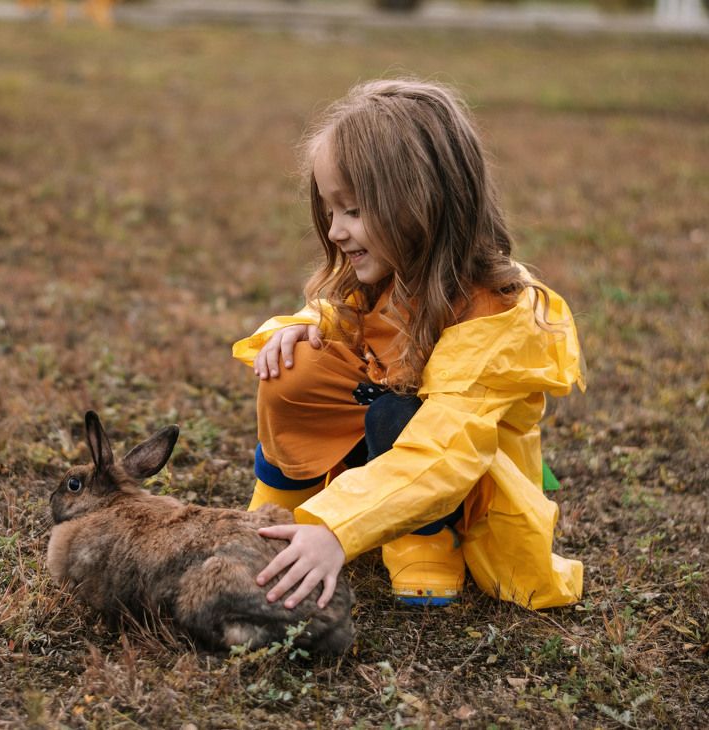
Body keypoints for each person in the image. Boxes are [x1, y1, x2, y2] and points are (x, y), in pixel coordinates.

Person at [232, 79, 586, 611]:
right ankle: (277, 513)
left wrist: (333, 527)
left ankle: (425, 540)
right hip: (396, 455)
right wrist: (297, 327)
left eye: (351, 211)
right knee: (293, 366)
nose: (334, 232)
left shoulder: (496, 312)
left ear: (419, 204)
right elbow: (344, 314)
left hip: (457, 477)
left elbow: (445, 451)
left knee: (396, 416)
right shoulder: (387, 269)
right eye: (331, 211)